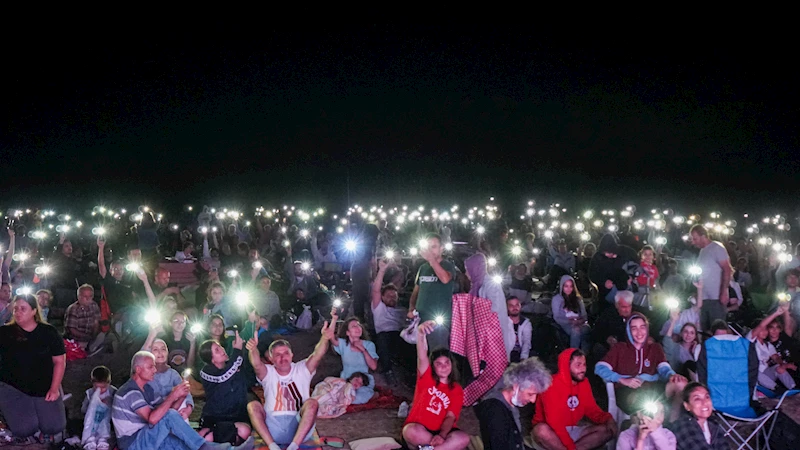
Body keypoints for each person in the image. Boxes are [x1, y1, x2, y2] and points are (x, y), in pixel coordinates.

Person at [112, 351, 254, 450]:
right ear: (138, 369)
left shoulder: (148, 388)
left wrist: (181, 395)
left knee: (184, 444)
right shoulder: (130, 392)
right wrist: (173, 396)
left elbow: (167, 414)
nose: (154, 370)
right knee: (191, 442)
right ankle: (204, 447)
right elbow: (153, 419)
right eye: (151, 367)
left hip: (148, 436)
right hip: (133, 444)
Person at [246, 317, 334, 450]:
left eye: (285, 353)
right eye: (277, 355)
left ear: (292, 355)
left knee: (312, 403)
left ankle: (293, 447)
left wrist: (325, 338)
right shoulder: (268, 372)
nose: (282, 357)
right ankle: (273, 447)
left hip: (299, 427)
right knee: (253, 406)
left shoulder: (302, 368)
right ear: (271, 358)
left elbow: (317, 354)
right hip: (272, 427)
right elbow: (256, 364)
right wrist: (253, 350)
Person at [595, 313, 688, 421]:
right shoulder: (620, 348)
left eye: (642, 327)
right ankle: (643, 428)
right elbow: (600, 368)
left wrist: (671, 375)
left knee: (681, 384)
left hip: (652, 388)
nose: (639, 332)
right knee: (645, 401)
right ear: (628, 331)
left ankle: (673, 425)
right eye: (634, 328)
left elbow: (664, 368)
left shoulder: (655, 348)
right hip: (628, 390)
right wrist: (622, 379)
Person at [0, 294, 66, 443]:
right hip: (13, 388)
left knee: (54, 426)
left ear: (34, 311)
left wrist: (54, 388)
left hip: (43, 386)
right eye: (15, 309)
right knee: (24, 429)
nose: (18, 312)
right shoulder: (4, 333)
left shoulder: (49, 332)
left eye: (23, 309)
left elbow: (59, 362)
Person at [402, 320, 470, 450]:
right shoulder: (426, 378)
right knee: (410, 431)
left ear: (452, 365)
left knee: (464, 438)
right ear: (433, 367)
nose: (444, 367)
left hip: (442, 433)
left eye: (447, 363)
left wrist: (442, 436)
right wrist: (421, 334)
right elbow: (422, 356)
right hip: (421, 429)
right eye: (439, 364)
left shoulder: (456, 389)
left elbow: (451, 416)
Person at [532, 349, 616, 450]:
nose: (583, 369)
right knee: (541, 430)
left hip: (572, 430)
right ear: (566, 366)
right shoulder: (550, 384)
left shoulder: (584, 383)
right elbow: (554, 422)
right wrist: (570, 446)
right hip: (552, 432)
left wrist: (608, 419)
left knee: (606, 430)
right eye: (578, 365)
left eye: (584, 364)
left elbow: (591, 409)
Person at [476, 357, 552, 450]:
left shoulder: (509, 405)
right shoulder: (495, 410)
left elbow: (515, 443)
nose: (533, 400)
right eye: (530, 394)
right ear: (516, 386)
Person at [198, 332, 252, 444]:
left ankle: (224, 442)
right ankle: (228, 442)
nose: (222, 350)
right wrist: (237, 350)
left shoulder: (234, 365)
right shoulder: (206, 372)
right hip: (214, 418)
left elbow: (243, 369)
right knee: (204, 438)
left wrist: (245, 348)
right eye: (217, 350)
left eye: (220, 347)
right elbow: (222, 377)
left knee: (244, 431)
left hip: (236, 417)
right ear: (211, 359)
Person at [408, 234, 457, 349]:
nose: (430, 251)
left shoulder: (447, 265)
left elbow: (445, 279)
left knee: (437, 353)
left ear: (441, 249)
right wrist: (411, 308)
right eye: (428, 247)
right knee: (422, 355)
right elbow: (416, 291)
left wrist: (431, 260)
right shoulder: (423, 268)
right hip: (420, 319)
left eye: (434, 247)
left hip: (438, 320)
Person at [465, 252, 515, 357]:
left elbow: (493, 312)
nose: (466, 273)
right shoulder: (478, 286)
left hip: (493, 338)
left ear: (475, 269)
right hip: (484, 336)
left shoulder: (491, 286)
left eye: (467, 269)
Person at [328, 315, 379, 404]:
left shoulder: (369, 345)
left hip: (363, 381)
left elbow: (374, 366)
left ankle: (370, 394)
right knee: (340, 394)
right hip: (346, 380)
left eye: (359, 325)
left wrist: (363, 350)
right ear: (348, 332)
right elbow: (330, 336)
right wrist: (334, 319)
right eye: (353, 326)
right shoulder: (343, 344)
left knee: (358, 397)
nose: (357, 328)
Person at [690, 225, 733, 331]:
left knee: (717, 329)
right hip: (704, 299)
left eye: (695, 239)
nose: (693, 242)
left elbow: (727, 269)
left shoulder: (716, 248)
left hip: (716, 298)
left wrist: (724, 291)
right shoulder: (702, 251)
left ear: (703, 236)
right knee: (704, 330)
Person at [140, 338, 194, 420]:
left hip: (171, 410)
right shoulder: (145, 374)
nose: (160, 352)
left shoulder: (173, 374)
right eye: (155, 349)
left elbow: (186, 391)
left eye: (163, 349)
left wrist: (188, 408)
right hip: (153, 414)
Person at [745, 305, 797, 391]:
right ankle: (776, 389)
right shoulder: (750, 339)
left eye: (766, 329)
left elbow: (776, 357)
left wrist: (782, 364)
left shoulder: (768, 345)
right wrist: (776, 313)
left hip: (766, 375)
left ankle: (793, 388)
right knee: (755, 371)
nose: (765, 332)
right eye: (762, 330)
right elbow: (761, 325)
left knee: (778, 368)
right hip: (753, 376)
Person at [371, 259, 406, 381]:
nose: (392, 298)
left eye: (394, 296)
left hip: (400, 335)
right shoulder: (379, 308)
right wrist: (382, 270)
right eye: (389, 296)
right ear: (383, 297)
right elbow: (376, 290)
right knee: (383, 340)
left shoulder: (402, 310)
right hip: (384, 334)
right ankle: (388, 371)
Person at [669, 383, 730, 450]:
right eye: (697, 399)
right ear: (687, 406)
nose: (704, 402)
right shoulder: (683, 426)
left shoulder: (713, 423)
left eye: (707, 397)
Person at [81, 366, 117, 450]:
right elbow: (83, 409)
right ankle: (90, 439)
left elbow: (118, 406)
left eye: (104, 387)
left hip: (107, 420)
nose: (100, 390)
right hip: (93, 420)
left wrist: (109, 402)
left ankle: (103, 439)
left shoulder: (112, 392)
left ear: (109, 383)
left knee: (105, 425)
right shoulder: (90, 393)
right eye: (97, 388)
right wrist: (92, 405)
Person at [551, 275, 591, 352]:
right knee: (575, 331)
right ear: (562, 286)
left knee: (586, 330)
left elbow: (584, 315)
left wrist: (579, 321)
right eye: (566, 286)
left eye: (571, 286)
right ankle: (573, 354)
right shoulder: (557, 299)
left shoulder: (578, 299)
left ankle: (584, 354)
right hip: (566, 324)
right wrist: (570, 321)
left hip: (580, 323)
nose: (569, 289)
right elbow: (557, 317)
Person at [64, 284, 105, 354]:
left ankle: (91, 348)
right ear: (79, 297)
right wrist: (86, 337)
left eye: (90, 296)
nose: (88, 299)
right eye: (85, 296)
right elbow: (72, 330)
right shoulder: (73, 309)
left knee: (103, 336)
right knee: (81, 346)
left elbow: (97, 322)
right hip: (76, 339)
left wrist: (93, 335)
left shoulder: (94, 305)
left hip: (91, 336)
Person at [506, 297, 532, 363]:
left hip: (519, 353)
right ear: (507, 308)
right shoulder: (504, 322)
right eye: (511, 305)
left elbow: (527, 341)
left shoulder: (526, 323)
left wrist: (523, 357)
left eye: (517, 305)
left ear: (520, 306)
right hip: (505, 354)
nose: (514, 308)